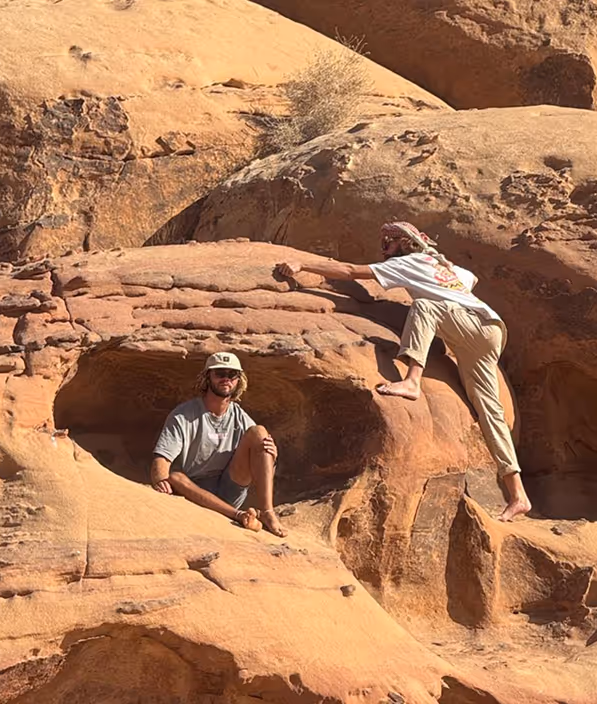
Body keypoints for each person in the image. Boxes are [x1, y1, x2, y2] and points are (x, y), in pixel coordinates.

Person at [276, 221, 532, 522]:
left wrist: (302, 264)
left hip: (470, 326)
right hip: (487, 331)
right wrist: (443, 274)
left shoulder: (410, 262)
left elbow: (349, 271)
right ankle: (518, 495)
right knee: (491, 412)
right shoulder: (444, 266)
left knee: (425, 306)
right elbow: (471, 279)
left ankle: (411, 381)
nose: (384, 249)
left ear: (404, 243)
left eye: (388, 243)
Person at [150, 352, 287, 537]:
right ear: (208, 377)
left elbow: (258, 454)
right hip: (196, 490)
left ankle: (268, 512)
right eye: (220, 373)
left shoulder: (239, 416)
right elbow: (162, 459)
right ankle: (239, 516)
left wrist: (271, 454)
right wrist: (160, 480)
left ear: (239, 380)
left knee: (259, 433)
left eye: (232, 375)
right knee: (175, 476)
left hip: (230, 486)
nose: (226, 379)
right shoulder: (183, 415)